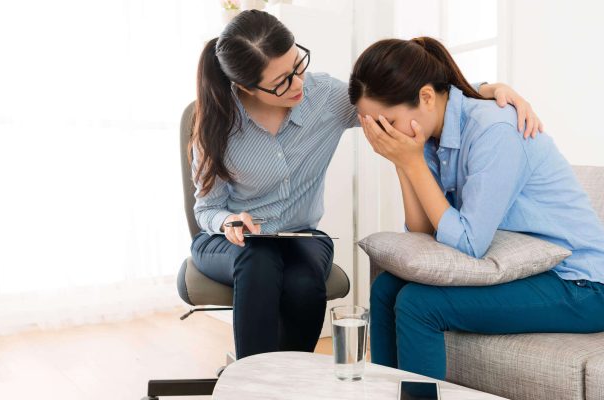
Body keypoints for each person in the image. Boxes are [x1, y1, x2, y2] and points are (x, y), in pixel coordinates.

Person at [191, 10, 541, 360]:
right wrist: (228, 221)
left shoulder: (324, 98)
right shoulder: (217, 124)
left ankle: (290, 379)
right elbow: (207, 209)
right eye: (282, 82)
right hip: (230, 243)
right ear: (246, 88)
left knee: (303, 283)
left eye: (298, 65)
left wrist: (485, 90)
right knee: (259, 259)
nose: (298, 84)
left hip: (301, 237)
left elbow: (400, 98)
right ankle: (252, 381)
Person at [349, 36, 604, 380]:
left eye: (388, 122)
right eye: (374, 127)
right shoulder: (431, 135)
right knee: (386, 288)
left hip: (582, 286)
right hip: (525, 270)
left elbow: (468, 243)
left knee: (418, 304)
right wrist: (402, 161)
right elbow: (423, 230)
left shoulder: (494, 130)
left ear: (426, 97)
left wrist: (412, 162)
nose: (384, 134)